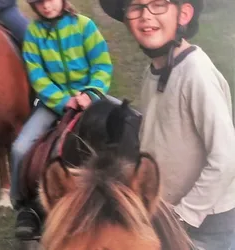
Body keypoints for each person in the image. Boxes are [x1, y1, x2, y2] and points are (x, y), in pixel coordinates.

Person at [99, 0, 235, 249]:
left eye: (158, 4)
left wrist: (183, 215)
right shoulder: (153, 72)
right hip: (166, 208)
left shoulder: (196, 74)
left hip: (206, 223)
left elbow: (226, 159)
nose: (146, 15)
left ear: (183, 14)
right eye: (136, 7)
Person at [10, 0, 113, 240]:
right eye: (38, 3)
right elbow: (37, 75)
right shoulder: (34, 33)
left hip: (89, 98)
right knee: (19, 148)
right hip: (53, 103)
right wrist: (61, 100)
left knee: (129, 122)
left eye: (50, 0)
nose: (45, 6)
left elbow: (102, 65)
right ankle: (22, 203)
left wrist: (90, 93)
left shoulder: (84, 25)